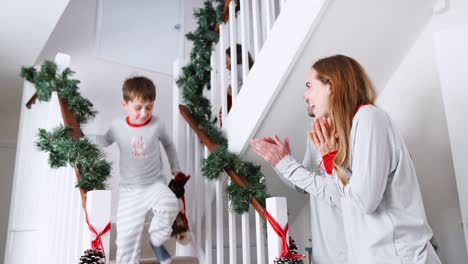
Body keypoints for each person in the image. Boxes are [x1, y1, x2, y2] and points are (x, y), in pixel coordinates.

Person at [251, 55, 441, 264]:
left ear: (330, 86)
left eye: (309, 86)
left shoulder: (370, 118)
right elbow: (339, 194)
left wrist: (330, 158)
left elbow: (364, 201)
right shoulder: (334, 131)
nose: (305, 95)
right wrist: (285, 162)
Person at [86, 76, 180, 264]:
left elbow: (169, 144)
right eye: (138, 108)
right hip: (130, 192)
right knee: (125, 239)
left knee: (170, 204)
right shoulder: (118, 127)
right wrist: (82, 138)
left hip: (155, 185)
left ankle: (156, 240)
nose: (144, 113)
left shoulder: (157, 125)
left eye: (149, 107)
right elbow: (104, 140)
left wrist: (175, 168)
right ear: (125, 104)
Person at [219, 44, 254, 127]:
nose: (226, 66)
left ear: (235, 58)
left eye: (227, 62)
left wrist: (230, 91)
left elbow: (235, 93)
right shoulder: (244, 72)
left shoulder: (238, 70)